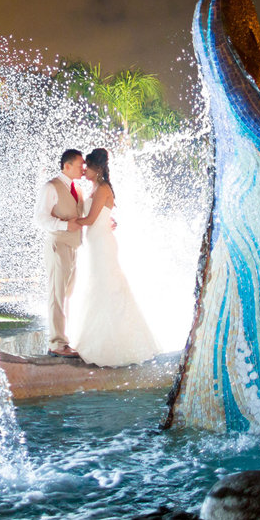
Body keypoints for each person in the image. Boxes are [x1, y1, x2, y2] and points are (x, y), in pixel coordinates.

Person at [70, 148, 160, 367]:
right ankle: (97, 338)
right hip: (96, 243)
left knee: (107, 287)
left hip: (102, 244)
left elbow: (90, 219)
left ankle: (114, 345)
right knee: (100, 286)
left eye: (87, 167)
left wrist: (68, 222)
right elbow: (99, 216)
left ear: (97, 168)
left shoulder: (102, 188)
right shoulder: (94, 188)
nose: (84, 171)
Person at [33, 149, 85, 356]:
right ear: (67, 166)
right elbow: (40, 218)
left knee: (67, 295)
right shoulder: (50, 187)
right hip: (57, 244)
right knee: (57, 293)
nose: (84, 168)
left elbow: (83, 214)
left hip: (73, 247)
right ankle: (56, 344)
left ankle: (64, 340)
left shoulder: (77, 189)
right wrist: (64, 226)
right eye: (80, 164)